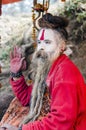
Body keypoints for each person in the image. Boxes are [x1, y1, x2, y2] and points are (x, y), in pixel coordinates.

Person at [0, 13, 86, 130]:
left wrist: (21, 129)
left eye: (47, 42)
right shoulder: (50, 67)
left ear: (62, 46)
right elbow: (29, 99)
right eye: (39, 43)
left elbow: (61, 122)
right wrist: (17, 74)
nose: (41, 48)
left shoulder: (64, 74)